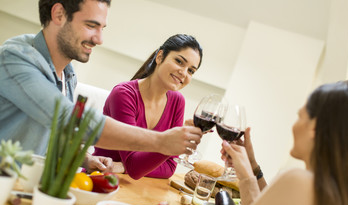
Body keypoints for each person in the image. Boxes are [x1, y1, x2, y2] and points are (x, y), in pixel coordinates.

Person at [0, 0, 202, 173]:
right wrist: (160, 142)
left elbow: (59, 134)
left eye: (102, 28)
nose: (99, 39)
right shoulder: (15, 59)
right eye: (91, 25)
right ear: (59, 14)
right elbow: (70, 119)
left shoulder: (68, 74)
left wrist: (85, 159)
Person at [221, 80, 348, 205]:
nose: (294, 125)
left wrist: (247, 178)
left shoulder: (300, 181)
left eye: (300, 116)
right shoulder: (345, 202)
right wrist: (253, 167)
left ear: (314, 128)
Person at [93, 34, 203, 179]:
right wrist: (171, 144)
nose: (183, 73)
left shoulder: (177, 101)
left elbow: (169, 168)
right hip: (99, 180)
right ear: (160, 56)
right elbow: (135, 168)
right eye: (179, 61)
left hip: (139, 187)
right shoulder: (124, 94)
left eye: (191, 71)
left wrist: (123, 166)